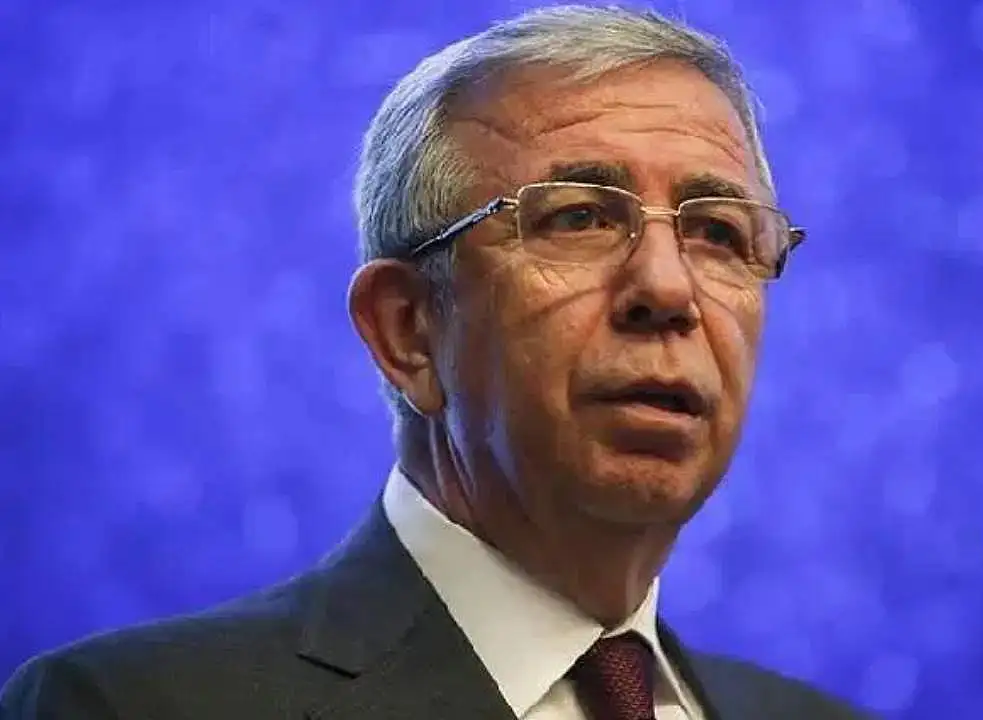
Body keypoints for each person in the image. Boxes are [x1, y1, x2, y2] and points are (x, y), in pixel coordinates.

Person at [1, 5, 868, 719]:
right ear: (408, 330)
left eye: (718, 232)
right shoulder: (128, 705)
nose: (668, 289)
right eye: (578, 218)